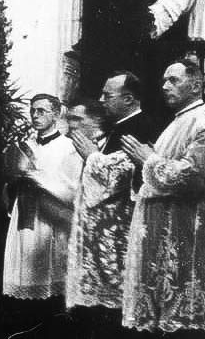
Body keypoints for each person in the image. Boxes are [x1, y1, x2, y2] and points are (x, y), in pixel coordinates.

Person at [121, 58, 205, 335]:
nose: (165, 86)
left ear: (196, 85)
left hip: (189, 238)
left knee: (185, 326)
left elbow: (194, 177)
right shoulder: (179, 122)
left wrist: (148, 160)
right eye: (163, 81)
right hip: (166, 237)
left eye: (173, 80)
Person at [1, 93, 82, 309]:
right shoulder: (25, 145)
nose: (35, 116)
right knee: (24, 263)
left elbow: (73, 188)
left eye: (41, 111)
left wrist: (37, 178)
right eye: (33, 111)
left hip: (50, 216)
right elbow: (11, 182)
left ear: (55, 114)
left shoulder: (69, 147)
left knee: (49, 272)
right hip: (23, 212)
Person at [64, 100, 135, 337]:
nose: (71, 124)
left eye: (77, 119)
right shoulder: (73, 149)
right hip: (84, 236)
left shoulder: (116, 143)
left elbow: (112, 184)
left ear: (96, 121)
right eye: (69, 119)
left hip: (111, 241)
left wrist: (92, 157)